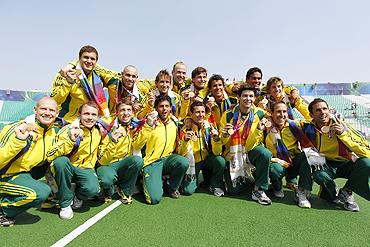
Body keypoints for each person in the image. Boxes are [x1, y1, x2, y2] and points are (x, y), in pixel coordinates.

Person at [301, 98, 370, 211]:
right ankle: (329, 191)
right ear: (311, 114)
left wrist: (343, 134)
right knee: (322, 180)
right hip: (325, 164)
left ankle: (346, 191)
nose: (323, 112)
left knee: (366, 163)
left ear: (329, 110)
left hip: (346, 163)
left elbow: (365, 151)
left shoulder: (343, 126)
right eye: (318, 110)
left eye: (325, 109)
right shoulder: (307, 127)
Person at [0, 97, 59, 226]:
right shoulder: (17, 129)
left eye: (52, 110)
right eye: (43, 108)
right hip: (5, 174)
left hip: (22, 172)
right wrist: (18, 141)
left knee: (57, 162)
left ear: (57, 113)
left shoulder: (52, 131)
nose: (48, 113)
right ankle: (3, 210)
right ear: (35, 110)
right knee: (39, 193)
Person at [47, 102, 102, 219]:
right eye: (86, 113)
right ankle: (65, 204)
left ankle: (77, 195)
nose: (90, 117)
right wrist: (71, 140)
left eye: (93, 114)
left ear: (98, 117)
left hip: (86, 168)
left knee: (93, 189)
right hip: (68, 167)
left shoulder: (98, 131)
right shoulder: (68, 129)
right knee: (60, 162)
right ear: (79, 114)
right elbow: (51, 154)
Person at [220, 84, 272, 205]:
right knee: (233, 191)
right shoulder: (228, 115)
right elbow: (223, 142)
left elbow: (272, 118)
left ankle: (259, 189)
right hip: (233, 154)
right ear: (238, 97)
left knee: (265, 153)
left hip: (251, 151)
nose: (248, 99)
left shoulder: (260, 113)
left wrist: (264, 125)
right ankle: (247, 178)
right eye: (245, 96)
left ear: (254, 99)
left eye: (251, 96)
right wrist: (225, 135)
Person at [133, 95, 188, 204]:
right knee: (154, 199)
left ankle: (171, 187)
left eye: (167, 106)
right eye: (161, 106)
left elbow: (178, 147)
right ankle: (143, 179)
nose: (164, 109)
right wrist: (148, 126)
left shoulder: (174, 123)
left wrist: (185, 141)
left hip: (168, 160)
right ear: (156, 108)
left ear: (170, 107)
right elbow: (137, 145)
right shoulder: (148, 122)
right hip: (152, 162)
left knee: (183, 162)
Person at [260, 101, 312, 207]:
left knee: (309, 155)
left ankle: (302, 192)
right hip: (277, 161)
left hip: (294, 160)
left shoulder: (295, 125)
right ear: (271, 113)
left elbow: (312, 120)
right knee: (274, 169)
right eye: (278, 112)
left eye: (284, 111)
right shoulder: (265, 127)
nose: (282, 115)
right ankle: (277, 186)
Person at [50, 45, 118, 122]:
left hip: (92, 122)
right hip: (69, 122)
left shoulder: (99, 74)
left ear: (96, 62)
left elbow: (119, 77)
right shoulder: (66, 74)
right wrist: (68, 83)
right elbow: (54, 101)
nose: (89, 61)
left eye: (92, 59)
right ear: (79, 59)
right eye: (86, 57)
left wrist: (72, 63)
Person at [97, 99, 144, 204]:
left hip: (123, 163)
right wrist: (113, 141)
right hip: (108, 164)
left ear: (132, 113)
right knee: (107, 179)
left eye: (129, 110)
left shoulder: (134, 127)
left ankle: (125, 190)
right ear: (117, 113)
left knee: (137, 161)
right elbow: (102, 161)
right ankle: (106, 191)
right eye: (122, 110)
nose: (126, 113)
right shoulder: (107, 127)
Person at [178, 101, 226, 196]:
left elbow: (217, 152)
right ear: (191, 114)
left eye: (203, 112)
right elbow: (181, 153)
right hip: (193, 163)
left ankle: (215, 185)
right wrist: (185, 140)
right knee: (188, 191)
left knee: (220, 160)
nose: (201, 115)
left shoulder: (210, 126)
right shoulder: (185, 129)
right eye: (197, 112)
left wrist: (216, 139)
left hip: (207, 160)